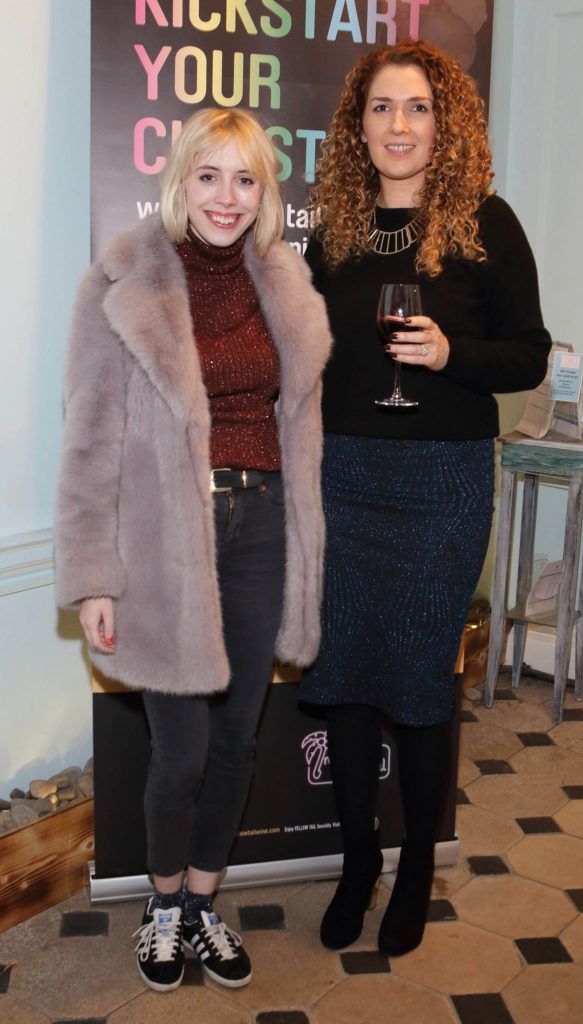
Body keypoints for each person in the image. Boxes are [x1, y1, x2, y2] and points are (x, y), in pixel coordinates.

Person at [54, 107, 331, 992]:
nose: (226, 196)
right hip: (167, 540)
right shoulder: (119, 281)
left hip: (262, 529)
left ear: (266, 194)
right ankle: (162, 906)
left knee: (238, 743)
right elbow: (89, 440)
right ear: (180, 179)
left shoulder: (284, 282)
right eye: (209, 175)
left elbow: (303, 426)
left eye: (245, 179)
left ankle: (205, 904)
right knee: (178, 750)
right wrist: (94, 574)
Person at [299, 40, 551, 957]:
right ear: (356, 126)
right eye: (380, 108)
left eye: (416, 109)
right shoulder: (331, 230)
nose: (398, 126)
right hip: (343, 477)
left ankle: (412, 869)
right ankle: (357, 861)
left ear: (444, 124)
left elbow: (526, 352)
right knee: (349, 680)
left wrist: (452, 356)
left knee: (418, 681)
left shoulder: (487, 223)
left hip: (442, 481)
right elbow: (301, 350)